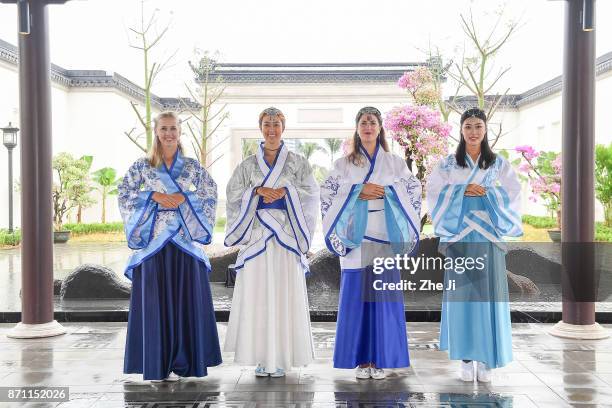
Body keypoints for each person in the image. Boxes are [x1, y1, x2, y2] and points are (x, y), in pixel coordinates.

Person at [118, 111, 221, 381]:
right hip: (153, 244)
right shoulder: (142, 166)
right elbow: (125, 192)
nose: (169, 134)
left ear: (180, 132)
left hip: (185, 243)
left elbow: (210, 191)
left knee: (187, 300)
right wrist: (153, 196)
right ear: (156, 132)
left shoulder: (191, 167)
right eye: (164, 129)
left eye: (173, 128)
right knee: (155, 303)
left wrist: (183, 198)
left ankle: (188, 360)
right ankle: (157, 361)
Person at [320, 106, 421, 380]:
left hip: (385, 235)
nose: (368, 126)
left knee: (383, 298)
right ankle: (361, 360)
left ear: (380, 128)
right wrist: (356, 191)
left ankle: (381, 359)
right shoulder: (343, 164)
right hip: (355, 235)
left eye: (373, 122)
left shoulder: (394, 162)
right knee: (356, 299)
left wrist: (387, 192)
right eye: (363, 122)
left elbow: (413, 189)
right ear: (357, 127)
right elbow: (327, 193)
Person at [426, 107, 523, 382]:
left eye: (478, 126)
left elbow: (513, 194)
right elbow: (433, 193)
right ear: (460, 129)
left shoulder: (498, 163)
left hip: (488, 235)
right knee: (464, 297)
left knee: (487, 295)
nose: (473, 132)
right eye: (468, 126)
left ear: (485, 129)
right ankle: (466, 358)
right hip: (460, 235)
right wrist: (461, 190)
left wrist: (488, 193)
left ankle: (486, 358)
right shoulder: (448, 164)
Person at [223, 107, 319, 377]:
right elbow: (233, 194)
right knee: (259, 296)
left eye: (276, 124)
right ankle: (260, 357)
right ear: (260, 127)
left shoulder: (299, 162)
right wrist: (255, 192)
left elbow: (312, 194)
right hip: (256, 237)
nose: (272, 129)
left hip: (286, 237)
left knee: (283, 294)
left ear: (283, 128)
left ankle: (282, 357)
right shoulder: (247, 165)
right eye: (267, 124)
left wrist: (285, 192)